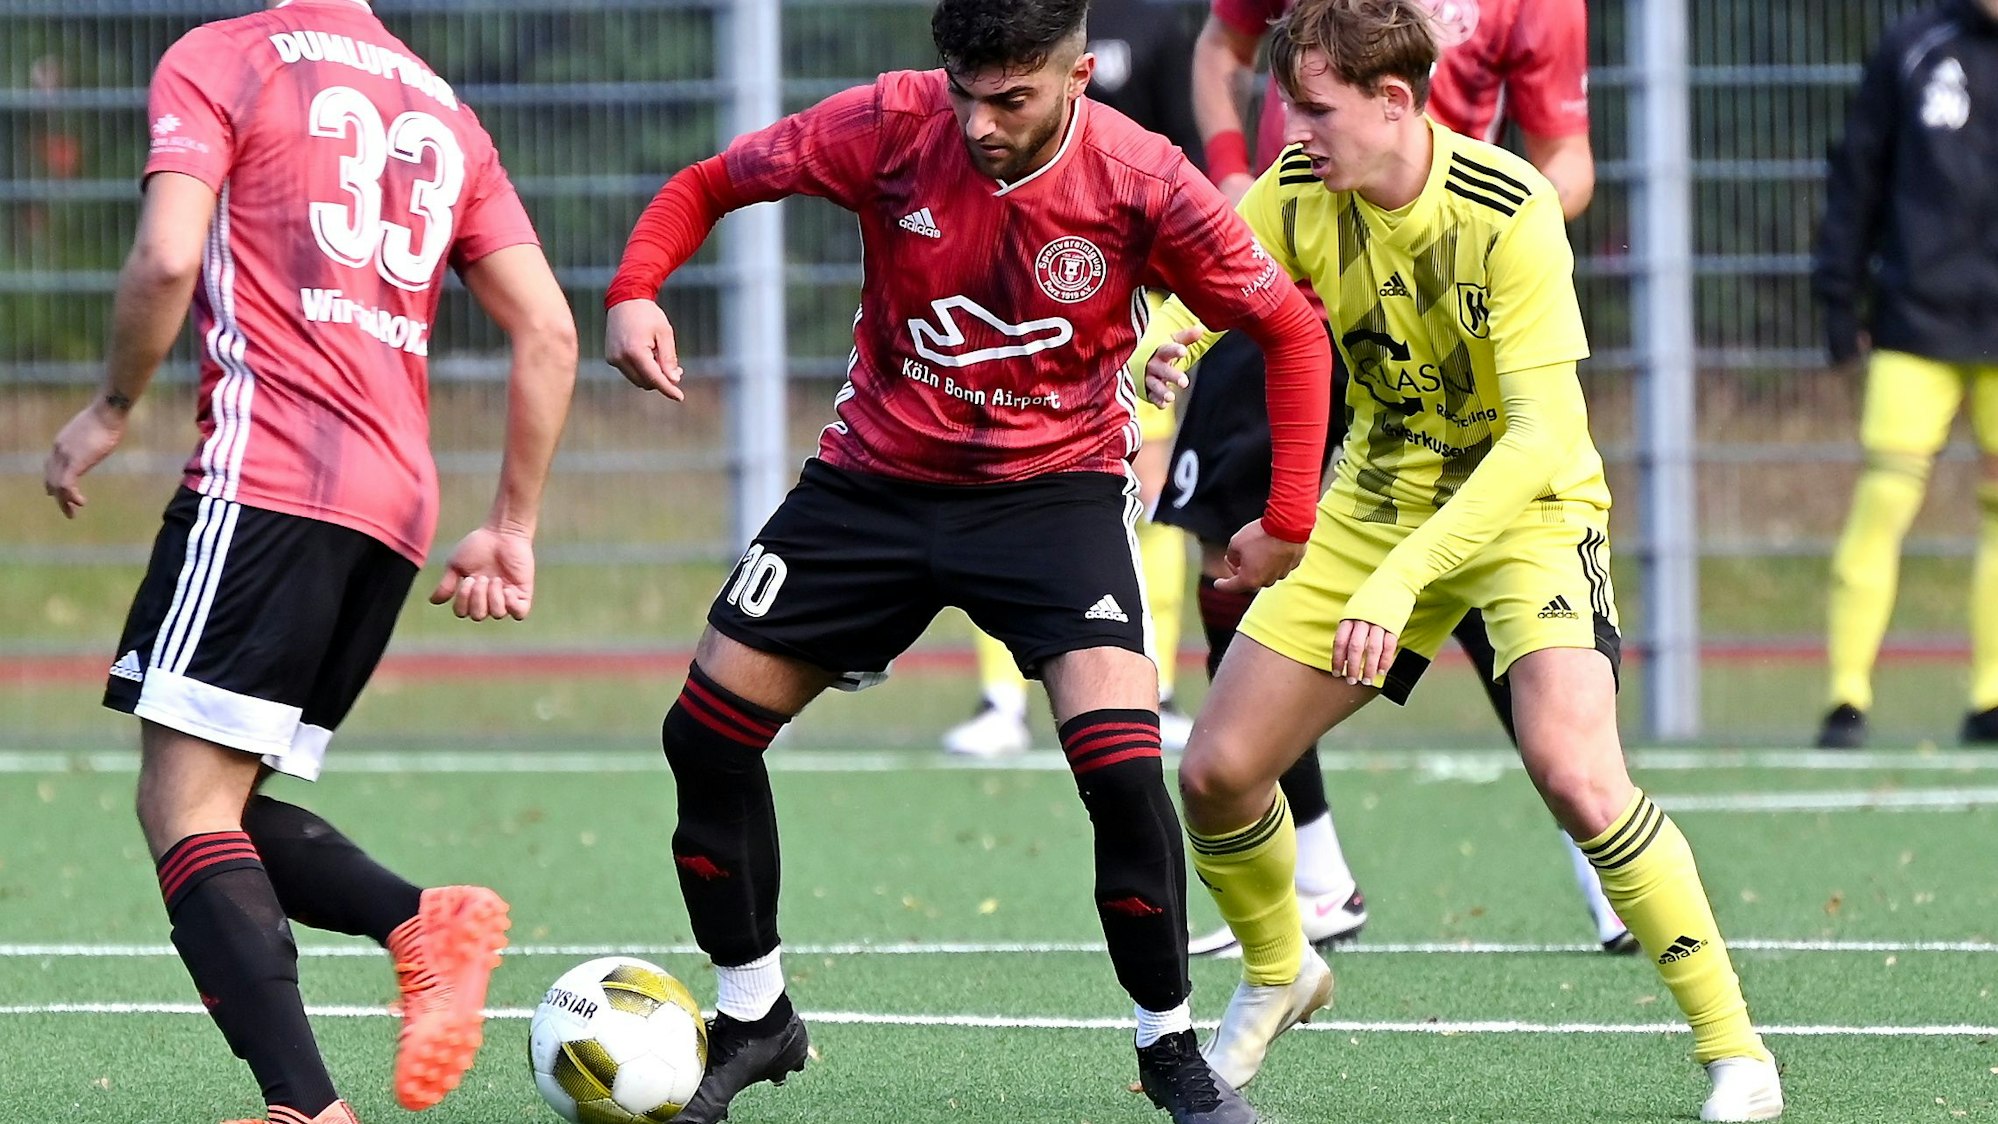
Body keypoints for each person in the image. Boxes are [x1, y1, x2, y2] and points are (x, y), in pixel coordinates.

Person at [601, 0, 1332, 1117]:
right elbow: (707, 183)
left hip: (1054, 498)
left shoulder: (1146, 178)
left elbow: (1290, 327)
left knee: (1126, 770)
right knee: (703, 733)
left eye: (1013, 97)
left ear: (1078, 74)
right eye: (964, 90)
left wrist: (1287, 516)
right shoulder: (890, 125)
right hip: (872, 485)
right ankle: (756, 1013)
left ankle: (1168, 1047)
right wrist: (633, 290)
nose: (981, 121)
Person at [1134, 0, 1784, 1118]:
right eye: (1289, 105)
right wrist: (1161, 348)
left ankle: (1738, 1053)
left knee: (1574, 768)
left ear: (1395, 102)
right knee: (1217, 772)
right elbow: (1219, 283)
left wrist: (1399, 582)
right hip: (1383, 490)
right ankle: (1287, 967)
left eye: (1316, 109)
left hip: (1530, 504)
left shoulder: (1512, 206)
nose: (1293, 130)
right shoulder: (1301, 189)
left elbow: (1537, 437)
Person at [39, 2, 578, 1121]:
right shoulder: (440, 102)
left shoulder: (222, 57)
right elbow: (549, 329)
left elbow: (166, 256)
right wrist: (512, 525)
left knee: (183, 806)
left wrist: (107, 407)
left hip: (267, 479)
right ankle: (416, 926)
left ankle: (310, 1100)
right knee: (216, 800)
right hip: (396, 505)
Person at [1174, 0, 1631, 957]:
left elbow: (1567, 159)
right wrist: (1230, 180)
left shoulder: (1533, 11)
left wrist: (1495, 230)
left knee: (1480, 538)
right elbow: (1222, 50)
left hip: (1438, 309)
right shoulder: (1292, 177)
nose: (1300, 121)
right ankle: (1314, 870)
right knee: (1234, 539)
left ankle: (1597, 840)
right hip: (1290, 284)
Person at [941, 0, 1207, 759]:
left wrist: (1166, 295)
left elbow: (1179, 156)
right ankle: (1002, 699)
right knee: (991, 478)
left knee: (1147, 488)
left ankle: (1152, 687)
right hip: (1002, 292)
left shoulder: (1154, 20)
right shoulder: (1000, 15)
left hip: (1128, 294)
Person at [1811, 0, 1998, 750]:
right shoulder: (1915, 47)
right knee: (1884, 501)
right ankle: (1844, 700)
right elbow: (1858, 170)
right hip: (1915, 323)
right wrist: (1837, 293)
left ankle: (1991, 701)